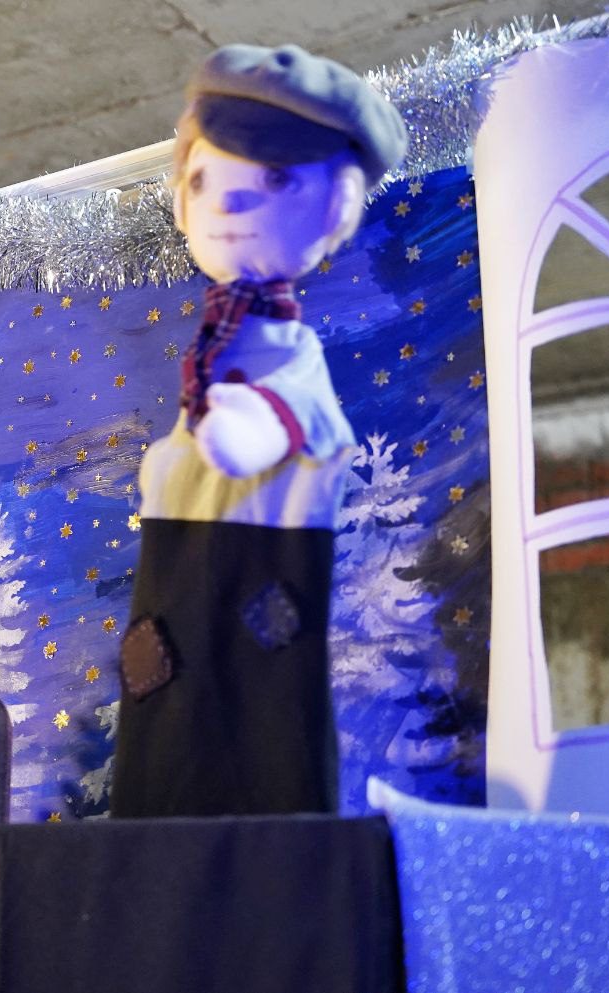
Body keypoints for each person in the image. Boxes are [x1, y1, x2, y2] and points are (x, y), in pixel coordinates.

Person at [110, 44, 407, 817]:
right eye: (205, 180)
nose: (231, 201)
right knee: (162, 729)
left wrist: (248, 428)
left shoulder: (286, 350)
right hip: (177, 570)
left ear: (334, 206)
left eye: (274, 180)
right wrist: (175, 463)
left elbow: (299, 422)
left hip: (260, 574)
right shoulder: (217, 347)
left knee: (260, 735)